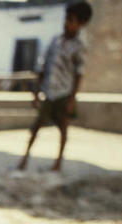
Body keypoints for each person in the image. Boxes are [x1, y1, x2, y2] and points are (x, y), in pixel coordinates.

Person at [18, 1, 93, 172]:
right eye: (66, 18)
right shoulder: (56, 41)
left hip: (64, 93)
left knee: (63, 128)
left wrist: (72, 99)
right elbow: (43, 67)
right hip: (49, 92)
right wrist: (36, 91)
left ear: (80, 23)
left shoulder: (78, 47)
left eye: (71, 19)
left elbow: (79, 74)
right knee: (37, 126)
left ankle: (58, 162)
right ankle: (24, 160)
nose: (66, 22)